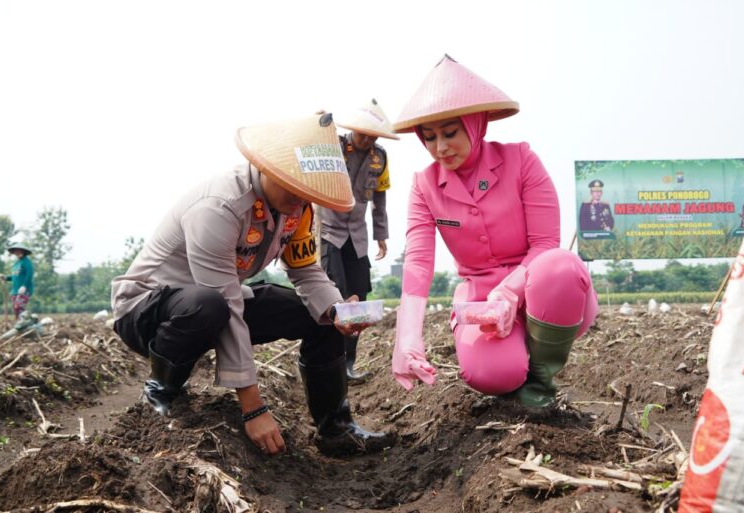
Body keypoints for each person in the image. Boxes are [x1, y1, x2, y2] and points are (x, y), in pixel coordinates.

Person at [111, 112, 393, 456]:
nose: (299, 198)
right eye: (292, 184)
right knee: (208, 306)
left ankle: (336, 429)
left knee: (319, 315)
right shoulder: (219, 207)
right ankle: (161, 391)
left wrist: (337, 309)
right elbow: (225, 302)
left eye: (307, 193)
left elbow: (306, 271)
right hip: (148, 310)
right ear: (269, 165)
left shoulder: (296, 208)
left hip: (215, 303)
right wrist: (254, 409)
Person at [390, 55, 599, 408]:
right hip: (481, 301)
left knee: (559, 265)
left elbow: (545, 244)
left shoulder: (521, 161)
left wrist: (510, 293)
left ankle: (541, 380)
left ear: (475, 124)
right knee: (493, 375)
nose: (440, 147)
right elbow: (419, 264)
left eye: (450, 133)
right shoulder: (424, 186)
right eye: (429, 138)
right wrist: (407, 338)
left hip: (542, 289)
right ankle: (513, 368)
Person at [318, 98, 397, 382]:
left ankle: (348, 364)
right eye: (362, 133)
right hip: (329, 232)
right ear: (352, 130)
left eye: (372, 135)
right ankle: (329, 363)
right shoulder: (334, 146)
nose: (367, 139)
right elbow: (309, 147)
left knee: (359, 299)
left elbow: (380, 199)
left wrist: (381, 236)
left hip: (358, 237)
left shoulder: (381, 158)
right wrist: (317, 123)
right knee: (335, 298)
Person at [0, 243, 35, 320]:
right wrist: (6, 278)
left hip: (24, 290)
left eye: (19, 251)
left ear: (23, 251)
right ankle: (19, 325)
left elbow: (30, 274)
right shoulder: (16, 263)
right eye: (16, 251)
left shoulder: (26, 262)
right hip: (15, 290)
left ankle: (25, 324)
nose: (17, 252)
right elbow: (15, 276)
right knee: (16, 309)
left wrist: (24, 286)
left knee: (19, 307)